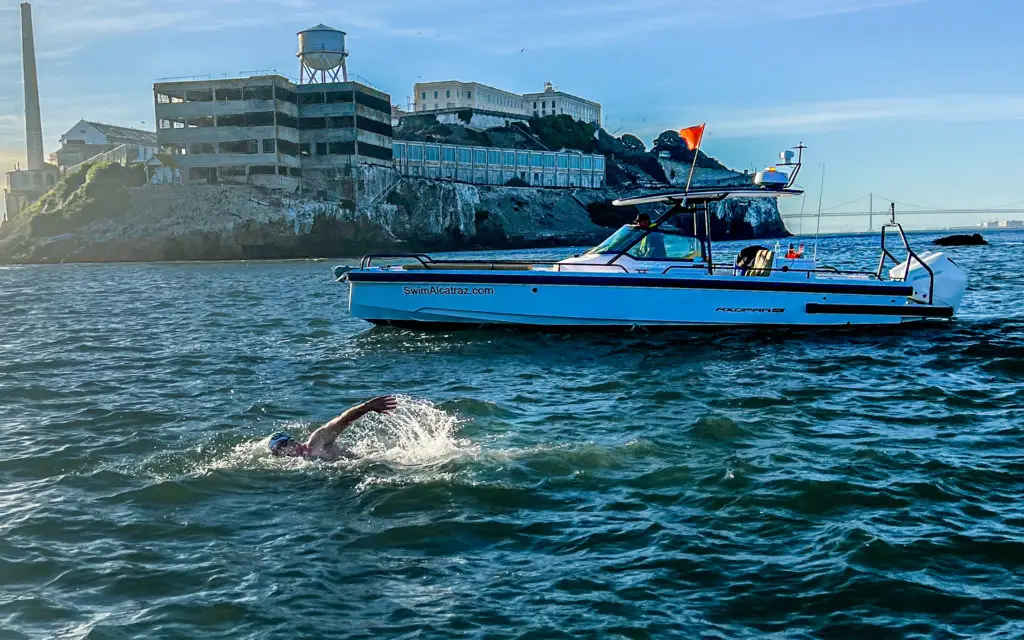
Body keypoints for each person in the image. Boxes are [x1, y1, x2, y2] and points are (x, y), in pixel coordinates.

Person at [268, 395, 398, 462]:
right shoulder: (299, 462)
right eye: (278, 450)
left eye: (282, 444)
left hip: (374, 460)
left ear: (292, 441)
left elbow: (342, 421)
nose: (282, 450)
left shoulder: (316, 441)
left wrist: (367, 407)